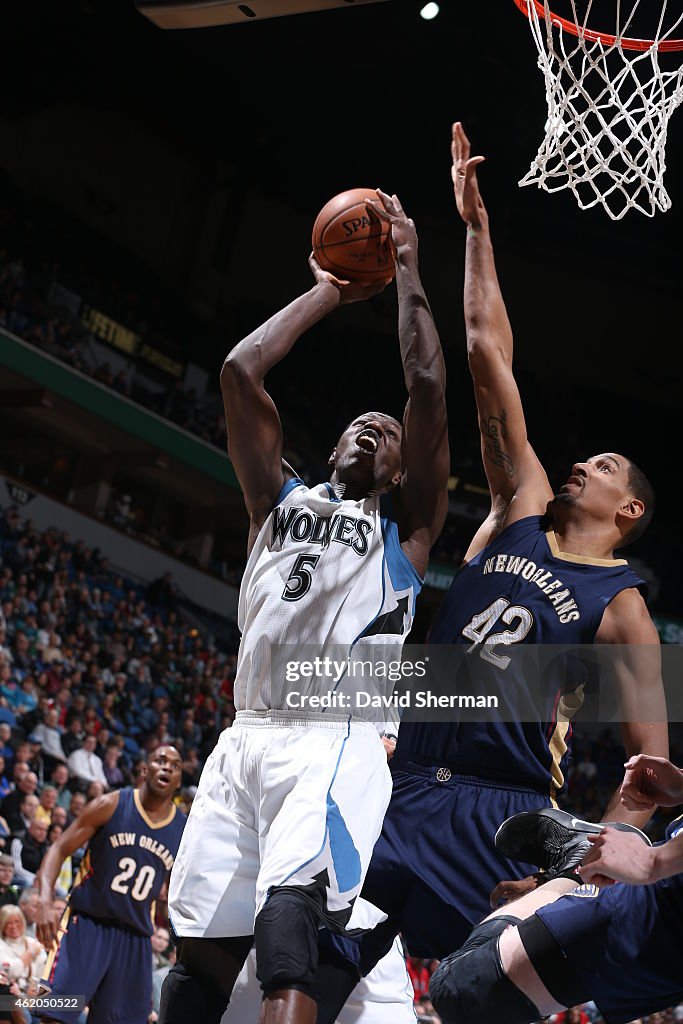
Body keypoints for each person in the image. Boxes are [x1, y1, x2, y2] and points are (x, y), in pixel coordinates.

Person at [310, 121, 668, 1024]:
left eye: (607, 467)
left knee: (486, 997)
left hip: (501, 813)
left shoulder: (618, 605)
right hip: (404, 779)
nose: (583, 464)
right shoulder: (521, 507)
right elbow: (483, 348)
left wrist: (607, 847)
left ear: (627, 513)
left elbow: (651, 768)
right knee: (304, 964)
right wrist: (476, 227)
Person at [160, 189, 449, 1024]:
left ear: (403, 470)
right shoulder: (274, 503)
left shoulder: (404, 527)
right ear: (326, 447)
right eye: (359, 425)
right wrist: (327, 287)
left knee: (290, 933)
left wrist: (403, 268)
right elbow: (240, 371)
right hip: (245, 733)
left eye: (385, 433)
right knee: (201, 957)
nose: (372, 431)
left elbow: (426, 384)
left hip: (332, 739)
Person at [429, 753, 683, 1024]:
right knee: (461, 990)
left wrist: (655, 857)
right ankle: (576, 867)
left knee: (467, 994)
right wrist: (656, 860)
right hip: (670, 902)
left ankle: (576, 867)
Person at [34, 745, 185, 1024]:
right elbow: (58, 848)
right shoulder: (111, 805)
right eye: (160, 760)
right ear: (144, 769)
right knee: (55, 1013)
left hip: (136, 937)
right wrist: (43, 900)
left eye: (175, 766)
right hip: (88, 924)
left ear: (178, 780)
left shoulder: (183, 830)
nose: (166, 767)